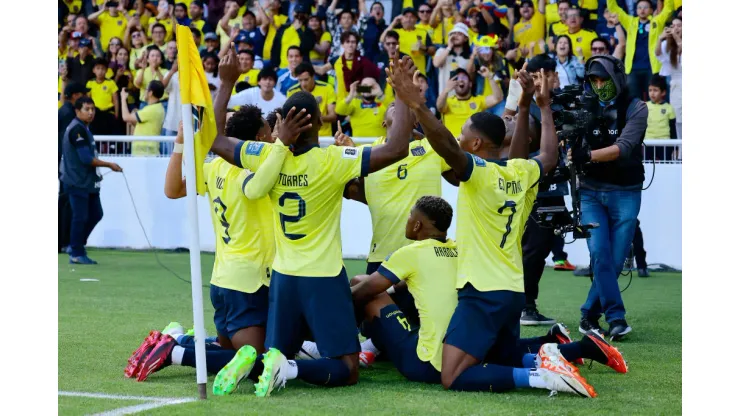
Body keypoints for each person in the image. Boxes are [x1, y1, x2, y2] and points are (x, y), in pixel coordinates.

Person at [207, 49, 415, 398]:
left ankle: (266, 362)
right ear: (318, 124)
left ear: (281, 125)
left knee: (273, 350)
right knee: (347, 368)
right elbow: (396, 148)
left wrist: (227, 82)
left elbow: (213, 139)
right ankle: (289, 369)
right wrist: (404, 96)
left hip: (283, 278)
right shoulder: (333, 159)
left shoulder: (262, 155)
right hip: (322, 277)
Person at [388, 56, 595, 397]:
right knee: (498, 358)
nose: (458, 139)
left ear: (476, 145)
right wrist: (539, 105)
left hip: (481, 291)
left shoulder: (478, 173)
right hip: (513, 291)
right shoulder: (520, 172)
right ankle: (557, 357)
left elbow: (442, 143)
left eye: (463, 135)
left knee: (452, 375)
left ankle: (543, 375)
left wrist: (417, 105)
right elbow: (548, 156)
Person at [350, 196, 629, 382]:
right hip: (469, 336)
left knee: (368, 293)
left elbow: (368, 291)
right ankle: (572, 348)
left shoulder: (410, 253)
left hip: (426, 362)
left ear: (418, 224)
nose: (407, 221)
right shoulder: (458, 248)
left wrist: (331, 312)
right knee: (505, 353)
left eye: (410, 217)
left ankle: (360, 346)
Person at [130, 105, 302, 388]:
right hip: (249, 282)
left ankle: (180, 339)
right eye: (268, 131)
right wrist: (281, 143)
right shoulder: (256, 172)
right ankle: (176, 352)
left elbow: (172, 189)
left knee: (238, 352)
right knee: (258, 360)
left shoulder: (215, 167)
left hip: (222, 280)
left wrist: (180, 144)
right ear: (259, 137)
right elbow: (262, 181)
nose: (273, 136)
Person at [568, 55, 648, 340]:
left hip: (626, 191)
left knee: (614, 261)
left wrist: (586, 155)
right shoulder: (580, 106)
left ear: (617, 78)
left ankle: (589, 315)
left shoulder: (636, 107)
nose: (599, 85)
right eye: (594, 80)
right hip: (589, 191)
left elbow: (624, 147)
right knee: (600, 253)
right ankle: (616, 317)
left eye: (604, 79)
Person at [60, 97, 123, 265]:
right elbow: (86, 158)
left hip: (87, 182)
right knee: (80, 216)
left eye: (93, 109)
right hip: (77, 181)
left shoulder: (84, 128)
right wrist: (109, 164)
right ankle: (76, 251)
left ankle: (76, 245)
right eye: (87, 109)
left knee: (95, 214)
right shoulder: (77, 131)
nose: (91, 112)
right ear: (77, 111)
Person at [606, 0, 675, 101]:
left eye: (646, 7)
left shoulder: (657, 21)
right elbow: (613, 8)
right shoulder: (630, 22)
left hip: (652, 68)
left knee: (653, 100)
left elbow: (668, 9)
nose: (642, 10)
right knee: (634, 100)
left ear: (652, 10)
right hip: (633, 69)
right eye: (639, 7)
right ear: (636, 10)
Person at [58, 82, 91, 254]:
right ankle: (63, 242)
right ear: (74, 96)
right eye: (81, 94)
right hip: (67, 166)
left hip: (64, 164)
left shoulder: (65, 112)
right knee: (66, 204)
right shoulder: (68, 114)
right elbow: (66, 142)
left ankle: (66, 241)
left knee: (67, 203)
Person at [437, 68, 503, 139]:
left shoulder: (478, 100)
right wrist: (446, 90)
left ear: (470, 84)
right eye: (457, 78)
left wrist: (490, 77)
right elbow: (439, 107)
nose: (461, 80)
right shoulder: (448, 102)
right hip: (453, 145)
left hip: (472, 146)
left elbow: (498, 98)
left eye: (464, 77)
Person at [322, 31, 380, 103]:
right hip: (341, 103)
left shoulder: (364, 62)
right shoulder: (337, 61)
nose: (350, 45)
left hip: (358, 103)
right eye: (347, 42)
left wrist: (356, 89)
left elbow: (372, 85)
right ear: (342, 44)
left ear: (356, 44)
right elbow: (321, 70)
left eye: (353, 42)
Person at [287, 63, 337, 138]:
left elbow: (333, 116)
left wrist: (313, 118)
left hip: (324, 136)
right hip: (300, 137)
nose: (303, 84)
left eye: (306, 79)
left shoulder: (327, 88)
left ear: (313, 76)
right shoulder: (291, 92)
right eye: (300, 80)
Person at [381, 9, 433, 77]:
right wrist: (394, 22)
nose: (408, 19)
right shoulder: (396, 32)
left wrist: (425, 48)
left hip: (418, 72)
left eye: (411, 17)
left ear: (416, 19)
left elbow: (433, 50)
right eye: (406, 16)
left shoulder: (423, 32)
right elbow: (382, 40)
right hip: (399, 73)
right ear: (401, 19)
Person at [121, 82, 166, 156]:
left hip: (145, 153)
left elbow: (126, 117)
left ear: (150, 93)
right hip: (146, 152)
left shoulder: (151, 109)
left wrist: (123, 99)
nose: (144, 92)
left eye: (146, 89)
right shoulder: (158, 108)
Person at [655, 16, 681, 139]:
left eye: (679, 26)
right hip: (673, 81)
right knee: (677, 115)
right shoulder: (667, 43)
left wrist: (675, 36)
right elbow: (658, 54)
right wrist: (660, 39)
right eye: (673, 26)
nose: (675, 28)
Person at [432, 23, 471, 101]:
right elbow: (436, 64)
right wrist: (449, 47)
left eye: (459, 34)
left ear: (466, 38)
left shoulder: (469, 57)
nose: (455, 36)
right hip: (445, 97)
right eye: (453, 33)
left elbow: (470, 77)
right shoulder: (442, 51)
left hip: (463, 99)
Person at [87, 58, 120, 136]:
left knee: (110, 138)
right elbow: (88, 100)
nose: (100, 71)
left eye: (102, 69)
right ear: (93, 70)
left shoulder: (111, 83)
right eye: (98, 68)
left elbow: (116, 100)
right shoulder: (90, 83)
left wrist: (116, 114)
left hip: (109, 113)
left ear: (106, 71)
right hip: (95, 115)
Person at [645, 75, 676, 141]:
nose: (652, 93)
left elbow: (673, 129)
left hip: (665, 143)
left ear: (663, 92)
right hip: (648, 142)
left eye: (655, 90)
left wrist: (675, 148)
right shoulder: (645, 106)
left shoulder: (669, 108)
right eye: (650, 90)